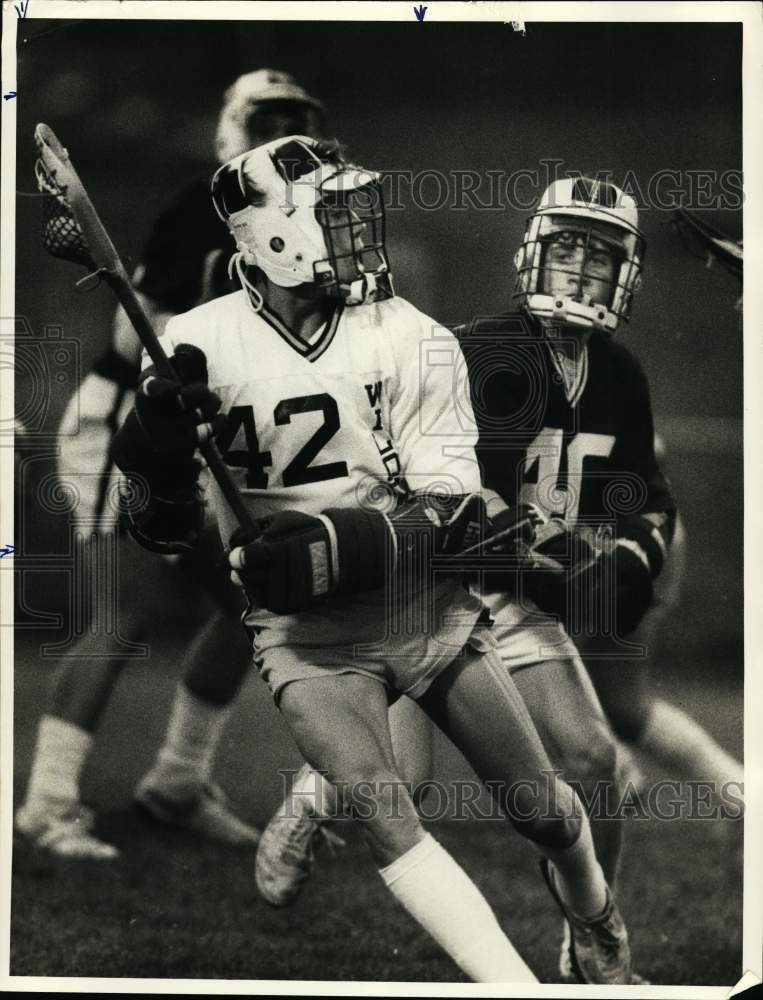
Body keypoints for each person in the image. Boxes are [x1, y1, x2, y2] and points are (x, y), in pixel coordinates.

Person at [111, 135, 633, 984]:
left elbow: (454, 513)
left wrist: (329, 546)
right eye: (332, 212)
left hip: (420, 605)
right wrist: (154, 449)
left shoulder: (409, 334)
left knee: (540, 809)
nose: (358, 228)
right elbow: (160, 530)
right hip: (304, 635)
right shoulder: (192, 342)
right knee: (389, 812)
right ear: (272, 234)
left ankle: (593, 908)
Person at [15, 69, 326, 859]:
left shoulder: (307, 216)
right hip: (129, 420)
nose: (282, 133)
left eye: (296, 120)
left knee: (245, 607)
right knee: (122, 619)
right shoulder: (204, 206)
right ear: (234, 128)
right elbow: (135, 345)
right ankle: (46, 804)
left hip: (203, 428)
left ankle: (177, 782)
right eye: (269, 119)